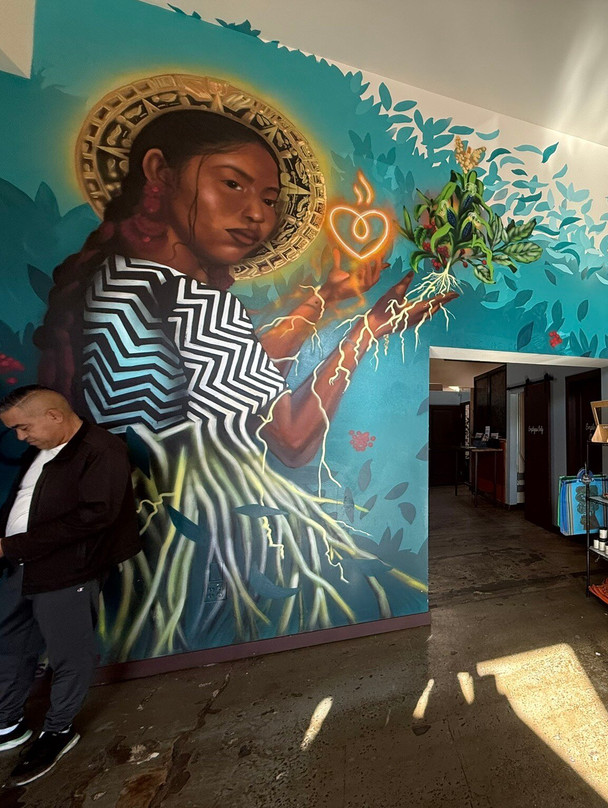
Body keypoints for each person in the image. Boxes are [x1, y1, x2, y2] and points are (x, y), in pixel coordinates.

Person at [36, 82, 453, 661]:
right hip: (200, 549)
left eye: (269, 198)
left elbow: (230, 372)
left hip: (132, 543)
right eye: (232, 183)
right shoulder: (198, 304)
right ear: (159, 172)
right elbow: (292, 440)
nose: (257, 212)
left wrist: (327, 298)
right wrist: (367, 331)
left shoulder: (117, 280)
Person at [0, 385, 139, 786]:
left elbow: (94, 518)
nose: (20, 437)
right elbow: (26, 501)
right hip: (22, 566)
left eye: (24, 428)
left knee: (69, 654)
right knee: (10, 642)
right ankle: (7, 723)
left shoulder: (101, 450)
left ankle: (58, 730)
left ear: (54, 416)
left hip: (68, 571)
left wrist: (11, 545)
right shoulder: (43, 448)